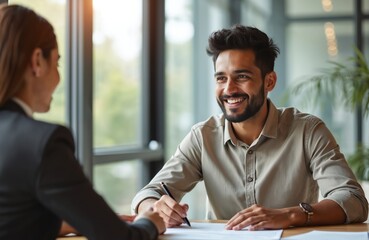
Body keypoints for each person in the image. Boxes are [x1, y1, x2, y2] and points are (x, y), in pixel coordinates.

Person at [131, 24, 368, 230]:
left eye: (241, 76)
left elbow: (353, 200)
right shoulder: (202, 136)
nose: (229, 89)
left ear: (269, 81)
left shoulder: (308, 131)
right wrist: (156, 206)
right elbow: (148, 194)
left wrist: (289, 214)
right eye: (221, 78)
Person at [0, 4, 165, 240]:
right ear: (37, 61)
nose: (58, 77)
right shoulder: (42, 143)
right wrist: (149, 223)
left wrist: (59, 225)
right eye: (57, 63)